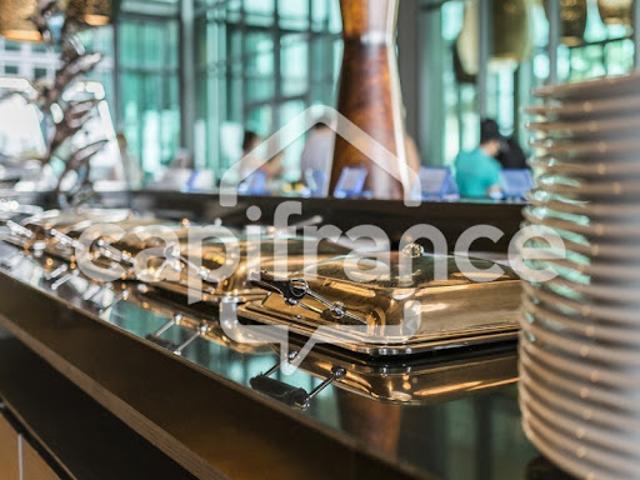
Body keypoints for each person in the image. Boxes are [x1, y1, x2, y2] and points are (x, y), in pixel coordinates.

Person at [454, 119, 503, 198]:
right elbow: (495, 192)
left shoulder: (461, 157)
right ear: (493, 142)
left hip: (459, 203)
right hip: (481, 204)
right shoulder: (492, 166)